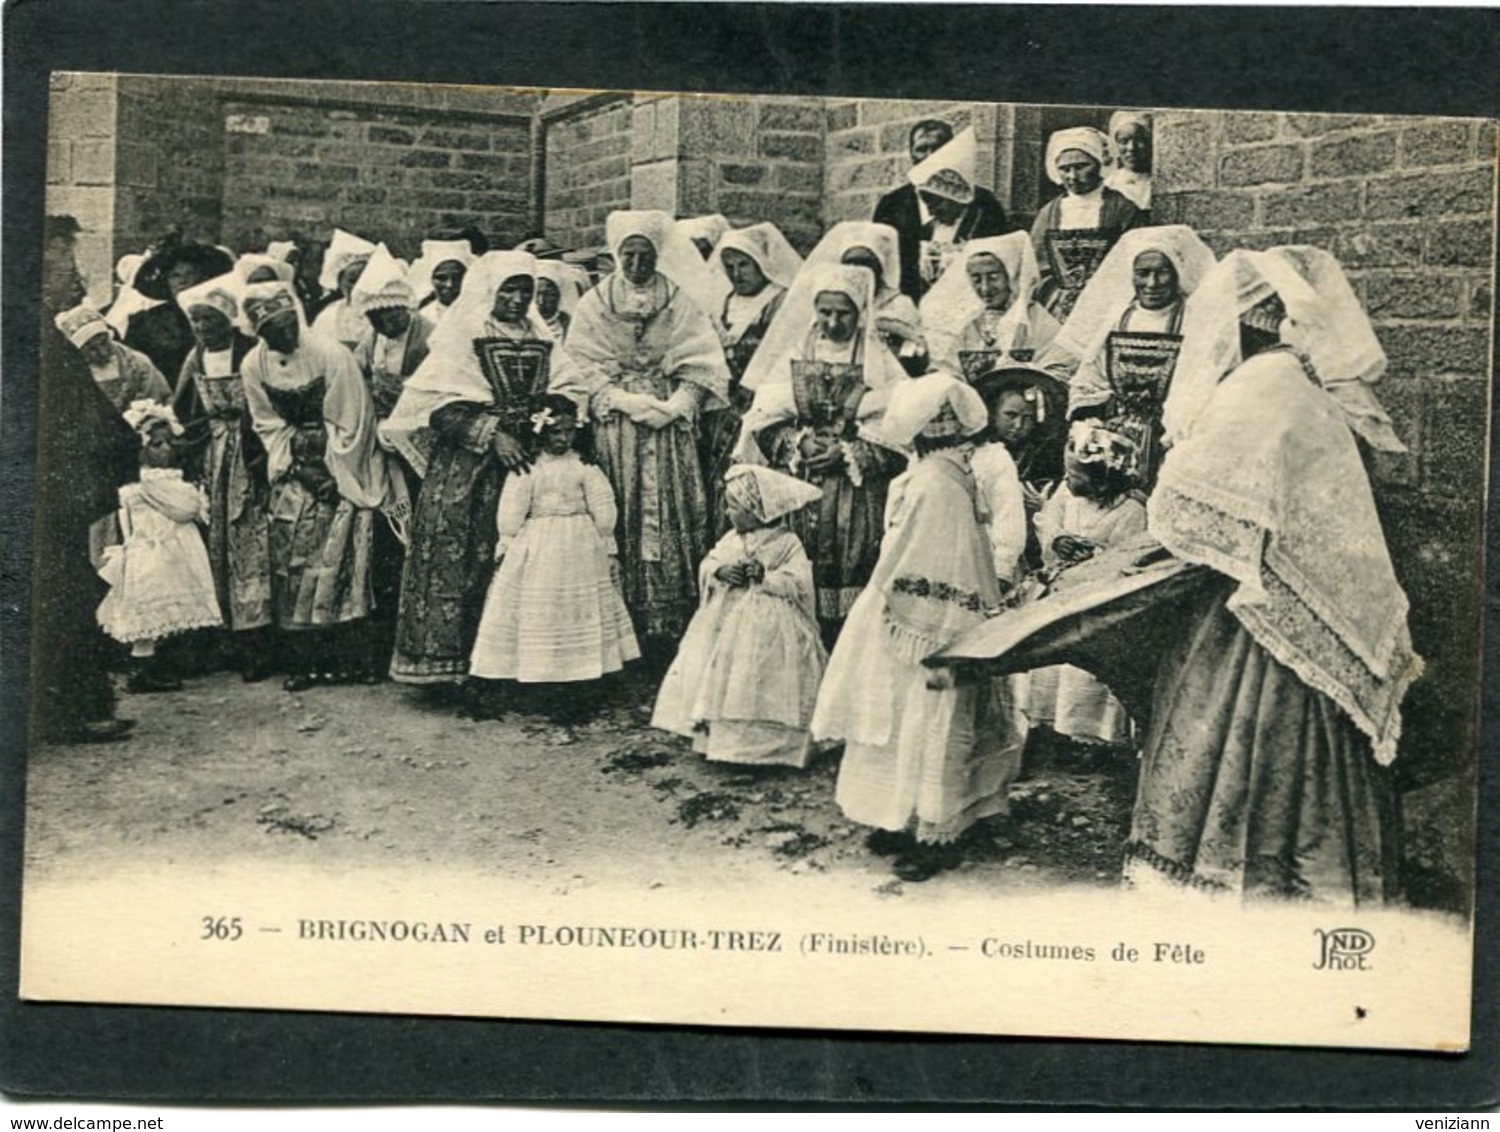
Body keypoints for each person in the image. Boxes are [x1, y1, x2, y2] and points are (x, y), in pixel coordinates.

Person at [1126, 246, 1419, 903]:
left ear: (1242, 321)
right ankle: (1310, 873)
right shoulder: (1307, 381)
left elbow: (1187, 491)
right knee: (1303, 737)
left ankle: (1238, 876)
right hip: (1290, 587)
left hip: (1256, 601)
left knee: (1237, 732)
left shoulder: (1264, 386)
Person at [811, 372, 1025, 881]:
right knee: (904, 716)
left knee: (932, 719)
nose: (944, 427)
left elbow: (938, 556)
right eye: (936, 418)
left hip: (930, 617)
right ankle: (900, 813)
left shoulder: (941, 479)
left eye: (950, 417)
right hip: (908, 605)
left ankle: (938, 825)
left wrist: (905, 608)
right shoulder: (930, 473)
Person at [381, 250, 571, 688]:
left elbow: (566, 385)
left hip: (527, 465)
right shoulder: (465, 334)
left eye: (525, 289)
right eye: (509, 288)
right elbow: (438, 407)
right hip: (468, 468)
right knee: (462, 558)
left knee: (523, 564)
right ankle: (451, 666)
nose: (518, 297)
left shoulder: (542, 338)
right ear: (489, 290)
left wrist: (550, 419)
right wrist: (492, 434)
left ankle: (512, 668)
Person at [552, 209, 732, 651]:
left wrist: (679, 405)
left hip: (667, 427)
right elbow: (581, 363)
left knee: (668, 507)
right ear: (617, 255)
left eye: (644, 255)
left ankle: (669, 620)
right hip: (618, 425)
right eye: (628, 255)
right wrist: (619, 399)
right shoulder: (596, 302)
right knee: (622, 503)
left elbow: (702, 359)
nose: (636, 265)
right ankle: (621, 621)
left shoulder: (678, 298)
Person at [737, 262, 908, 646]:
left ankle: (847, 648)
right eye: (825, 312)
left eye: (843, 313)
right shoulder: (797, 352)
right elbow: (764, 417)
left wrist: (850, 452)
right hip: (801, 481)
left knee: (858, 558)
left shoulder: (878, 361)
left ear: (860, 312)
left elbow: (900, 430)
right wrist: (799, 443)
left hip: (857, 491)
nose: (833, 322)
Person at [240, 280, 399, 691]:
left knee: (342, 559)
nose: (284, 337)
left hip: (341, 464)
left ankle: (350, 659)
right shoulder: (253, 364)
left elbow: (354, 419)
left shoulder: (332, 354)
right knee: (292, 560)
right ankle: (304, 658)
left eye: (288, 325)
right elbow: (266, 422)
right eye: (272, 332)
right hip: (296, 469)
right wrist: (298, 465)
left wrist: (332, 471)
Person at [31, 215, 141, 744]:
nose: (75, 281)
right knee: (59, 599)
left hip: (47, 495)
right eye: (64, 265)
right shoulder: (30, 338)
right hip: (40, 499)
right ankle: (69, 711)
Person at [467, 395, 639, 717]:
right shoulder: (527, 468)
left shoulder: (584, 467)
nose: (563, 439)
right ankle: (539, 679)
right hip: (538, 548)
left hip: (581, 547)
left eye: (568, 432)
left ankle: (583, 679)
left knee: (577, 606)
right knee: (541, 607)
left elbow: (604, 507)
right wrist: (506, 545)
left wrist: (608, 546)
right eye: (555, 432)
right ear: (540, 432)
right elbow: (511, 511)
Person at [652, 464, 826, 769]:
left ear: (756, 510)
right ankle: (724, 741)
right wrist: (719, 571)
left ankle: (771, 746)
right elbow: (710, 562)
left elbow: (799, 582)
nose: (728, 513)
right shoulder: (732, 539)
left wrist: (766, 577)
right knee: (723, 675)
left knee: (758, 675)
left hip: (770, 622)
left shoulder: (786, 542)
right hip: (726, 617)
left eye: (734, 507)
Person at [1040, 225, 1218, 489]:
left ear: (1178, 273)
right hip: (1116, 440)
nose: (1152, 284)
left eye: (1162, 272)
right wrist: (1094, 422)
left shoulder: (1194, 320)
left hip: (1171, 436)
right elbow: (1091, 378)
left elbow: (1202, 381)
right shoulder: (1118, 320)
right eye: (1143, 273)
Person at [169, 272, 274, 680]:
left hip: (249, 456)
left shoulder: (250, 352)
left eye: (209, 320)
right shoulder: (195, 358)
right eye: (195, 321)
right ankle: (219, 639)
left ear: (228, 320)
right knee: (214, 547)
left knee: (250, 545)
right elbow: (183, 409)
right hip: (211, 458)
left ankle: (255, 644)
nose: (201, 328)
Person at [1025, 421, 1148, 747]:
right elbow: (1047, 520)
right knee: (1047, 651)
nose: (1067, 481)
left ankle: (1088, 735)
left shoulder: (1130, 511)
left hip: (1096, 597)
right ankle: (1046, 726)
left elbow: (1128, 556)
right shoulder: (1066, 495)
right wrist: (1057, 539)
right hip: (1060, 587)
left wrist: (1095, 555)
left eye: (1076, 478)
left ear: (1103, 480)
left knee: (1082, 670)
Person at [96, 401, 223, 693]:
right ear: (141, 448)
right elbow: (187, 507)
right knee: (152, 611)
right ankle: (143, 671)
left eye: (168, 443)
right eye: (157, 444)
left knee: (166, 612)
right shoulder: (148, 482)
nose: (166, 450)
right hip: (155, 553)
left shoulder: (153, 480)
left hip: (166, 552)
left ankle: (156, 665)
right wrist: (195, 496)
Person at [348, 244, 430, 677]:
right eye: (377, 319)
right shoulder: (371, 341)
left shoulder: (429, 335)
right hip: (382, 446)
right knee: (384, 538)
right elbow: (357, 381)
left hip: (418, 447)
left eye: (391, 316)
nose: (385, 324)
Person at [700, 222, 804, 533]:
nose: (736, 273)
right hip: (721, 409)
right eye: (729, 266)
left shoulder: (781, 302)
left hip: (761, 408)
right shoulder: (724, 302)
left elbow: (784, 356)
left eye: (744, 264)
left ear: (762, 262)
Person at [873, 120, 1011, 302]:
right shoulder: (892, 205)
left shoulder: (983, 203)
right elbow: (878, 263)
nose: (930, 156)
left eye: (938, 148)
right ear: (911, 154)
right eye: (921, 149)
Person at [1030, 127, 1147, 320]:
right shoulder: (1048, 214)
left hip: (1109, 305)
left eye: (1081, 166)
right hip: (1058, 307)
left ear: (1098, 164)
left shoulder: (1122, 209)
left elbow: (1135, 260)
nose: (1073, 176)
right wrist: (1060, 296)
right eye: (1065, 169)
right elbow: (1037, 266)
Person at [918, 232, 1060, 381]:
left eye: (993, 277)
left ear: (1011, 276)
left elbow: (1058, 370)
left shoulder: (1038, 323)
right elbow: (946, 369)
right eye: (977, 279)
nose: (985, 288)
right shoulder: (968, 324)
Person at [803, 220, 927, 375]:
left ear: (880, 266)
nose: (858, 269)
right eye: (850, 262)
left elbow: (914, 352)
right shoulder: (829, 301)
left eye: (866, 263)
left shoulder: (900, 305)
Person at [125, 236, 235, 383]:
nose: (182, 281)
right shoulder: (146, 321)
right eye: (175, 276)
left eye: (189, 274)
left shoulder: (220, 316)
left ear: (201, 278)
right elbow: (134, 367)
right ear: (167, 282)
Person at [54, 305, 172, 412]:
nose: (102, 352)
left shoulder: (137, 363)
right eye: (92, 349)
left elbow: (158, 400)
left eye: (104, 342)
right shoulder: (72, 376)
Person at [310, 227, 377, 349]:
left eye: (364, 279)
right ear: (340, 282)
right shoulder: (328, 315)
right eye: (351, 281)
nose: (358, 286)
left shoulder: (381, 311)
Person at [410, 236, 476, 329]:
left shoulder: (480, 315)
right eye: (441, 278)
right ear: (430, 279)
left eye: (457, 278)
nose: (450, 284)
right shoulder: (422, 319)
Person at [1104, 110, 1153, 212]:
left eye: (1140, 140)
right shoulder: (1109, 185)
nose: (1131, 148)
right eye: (1123, 141)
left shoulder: (1160, 182)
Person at [534, 260, 592, 343]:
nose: (541, 301)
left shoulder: (573, 328)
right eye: (536, 295)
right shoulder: (523, 325)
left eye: (550, 295)